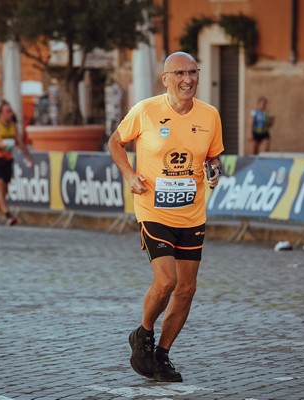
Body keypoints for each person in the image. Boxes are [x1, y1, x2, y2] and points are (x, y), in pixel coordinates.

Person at [108, 51, 223, 383]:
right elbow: (115, 142)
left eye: (192, 72)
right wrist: (129, 174)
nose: (187, 79)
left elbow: (215, 158)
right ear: (165, 79)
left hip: (191, 214)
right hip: (153, 209)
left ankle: (162, 355)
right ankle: (143, 334)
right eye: (180, 73)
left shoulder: (210, 115)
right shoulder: (145, 110)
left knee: (186, 289)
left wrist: (215, 171)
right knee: (167, 280)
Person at [0, 101, 34, 226]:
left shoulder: (13, 126)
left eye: (11, 111)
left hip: (7, 159)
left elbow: (20, 142)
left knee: (4, 191)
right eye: (7, 111)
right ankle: (8, 215)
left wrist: (28, 156)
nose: (11, 113)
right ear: (1, 113)